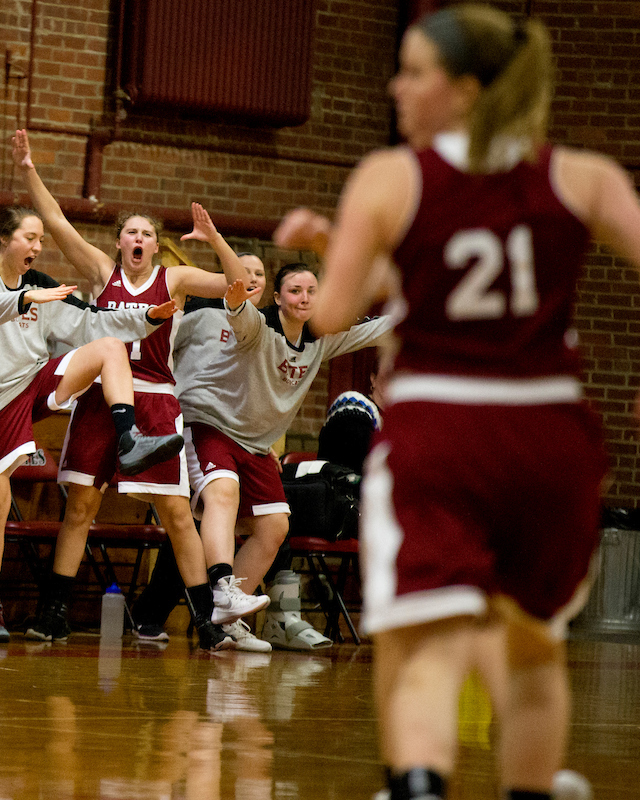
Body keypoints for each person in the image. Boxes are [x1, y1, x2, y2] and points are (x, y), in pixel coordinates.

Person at [274, 5, 637, 798]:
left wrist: (334, 248)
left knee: (428, 648)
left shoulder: (392, 177)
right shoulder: (586, 177)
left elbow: (331, 316)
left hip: (442, 428)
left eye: (413, 72)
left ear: (466, 90)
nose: (394, 86)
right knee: (535, 649)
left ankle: (418, 787)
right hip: (549, 432)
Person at [13, 130, 248, 651]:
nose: (138, 239)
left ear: (153, 243)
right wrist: (29, 168)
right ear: (120, 241)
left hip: (157, 401)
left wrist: (214, 239)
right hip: (103, 397)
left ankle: (206, 620)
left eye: (146, 233)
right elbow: (55, 221)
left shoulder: (176, 279)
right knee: (79, 507)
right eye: (131, 232)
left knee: (177, 517)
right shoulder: (101, 272)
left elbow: (242, 288)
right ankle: (54, 612)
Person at [132, 234, 393, 652]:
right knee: (223, 495)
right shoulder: (255, 324)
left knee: (275, 527)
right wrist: (233, 290)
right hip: (209, 424)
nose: (304, 298)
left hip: (255, 444)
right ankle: (220, 587)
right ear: (277, 295)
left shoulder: (321, 337)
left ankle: (228, 618)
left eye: (312, 291)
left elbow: (378, 329)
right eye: (295, 290)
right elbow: (239, 313)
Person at [0, 206, 184, 642]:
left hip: (32, 386)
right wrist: (24, 300)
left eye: (42, 239)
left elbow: (93, 321)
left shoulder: (44, 285)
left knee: (108, 346)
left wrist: (145, 319)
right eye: (30, 238)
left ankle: (128, 437)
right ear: (4, 238)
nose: (39, 247)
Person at [317, 359, 386, 475]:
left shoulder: (401, 420)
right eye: (387, 376)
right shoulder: (353, 404)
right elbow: (356, 466)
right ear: (373, 380)